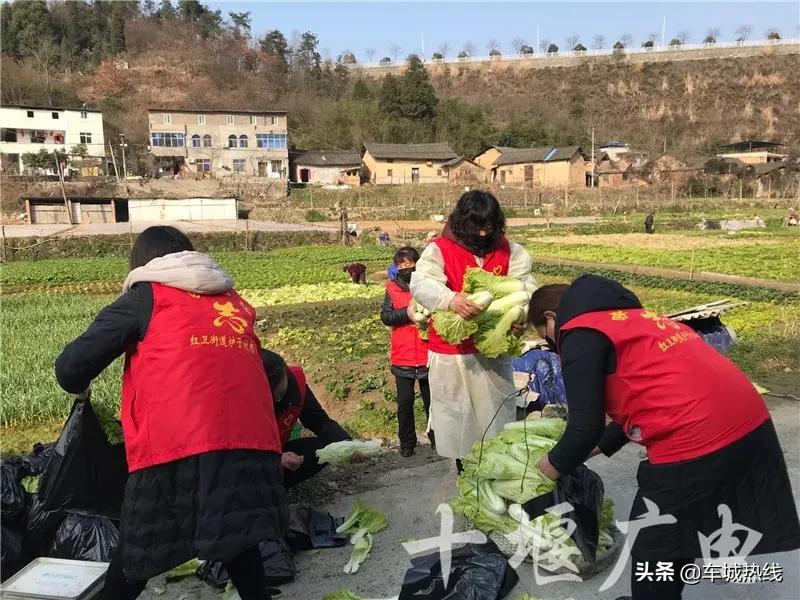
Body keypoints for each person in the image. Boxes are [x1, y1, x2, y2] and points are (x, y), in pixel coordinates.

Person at [528, 275, 800, 600]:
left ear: (550, 319)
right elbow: (643, 403)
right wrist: (589, 452)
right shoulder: (633, 319)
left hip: (698, 438)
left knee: (653, 548)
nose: (553, 347)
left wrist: (544, 471)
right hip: (749, 424)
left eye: (546, 340)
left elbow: (583, 428)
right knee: (678, 534)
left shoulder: (578, 331)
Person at [55, 226, 286, 600]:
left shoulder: (148, 295)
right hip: (254, 449)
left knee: (137, 557)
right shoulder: (233, 302)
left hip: (177, 448)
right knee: (234, 539)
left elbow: (70, 367)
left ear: (142, 262)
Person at [410, 190, 534, 467]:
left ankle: (496, 469)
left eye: (488, 228)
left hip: (492, 354)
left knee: (496, 414)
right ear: (462, 223)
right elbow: (422, 283)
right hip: (451, 355)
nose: (481, 235)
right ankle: (464, 471)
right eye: (476, 227)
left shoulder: (511, 251)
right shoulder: (439, 249)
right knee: (457, 417)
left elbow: (526, 287)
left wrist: (519, 317)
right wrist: (450, 300)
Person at [260, 349, 361, 487]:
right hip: (251, 461)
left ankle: (279, 488)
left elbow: (319, 421)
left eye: (282, 393)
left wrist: (346, 444)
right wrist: (276, 460)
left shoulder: (294, 384)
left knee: (322, 448)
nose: (281, 399)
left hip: (278, 451)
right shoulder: (237, 403)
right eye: (276, 397)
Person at [380, 246, 433, 457]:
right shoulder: (392, 288)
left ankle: (436, 439)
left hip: (428, 353)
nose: (405, 268)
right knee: (405, 403)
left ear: (417, 264)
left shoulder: (428, 287)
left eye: (409, 264)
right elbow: (386, 317)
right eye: (401, 265)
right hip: (403, 356)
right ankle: (407, 443)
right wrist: (407, 313)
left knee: (433, 403)